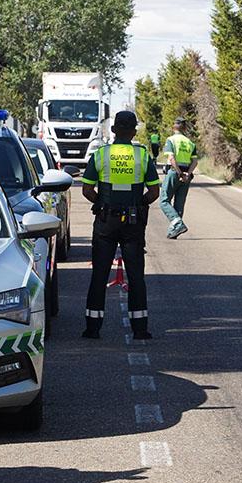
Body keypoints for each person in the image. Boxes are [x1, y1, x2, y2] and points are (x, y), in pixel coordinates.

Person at [80, 111, 161, 340]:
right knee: (136, 276)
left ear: (114, 130)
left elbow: (86, 190)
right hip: (133, 222)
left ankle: (93, 328)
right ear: (134, 132)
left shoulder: (101, 154)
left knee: (99, 274)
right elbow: (154, 192)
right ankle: (140, 329)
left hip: (106, 221)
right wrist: (138, 203)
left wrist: (103, 203)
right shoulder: (142, 156)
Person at [160, 117, 199, 239]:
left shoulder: (171, 140)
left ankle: (176, 222)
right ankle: (174, 231)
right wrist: (187, 173)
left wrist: (179, 173)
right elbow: (195, 161)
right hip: (186, 174)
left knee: (164, 200)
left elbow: (171, 158)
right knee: (179, 203)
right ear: (185, 128)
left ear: (173, 127)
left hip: (174, 172)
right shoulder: (190, 142)